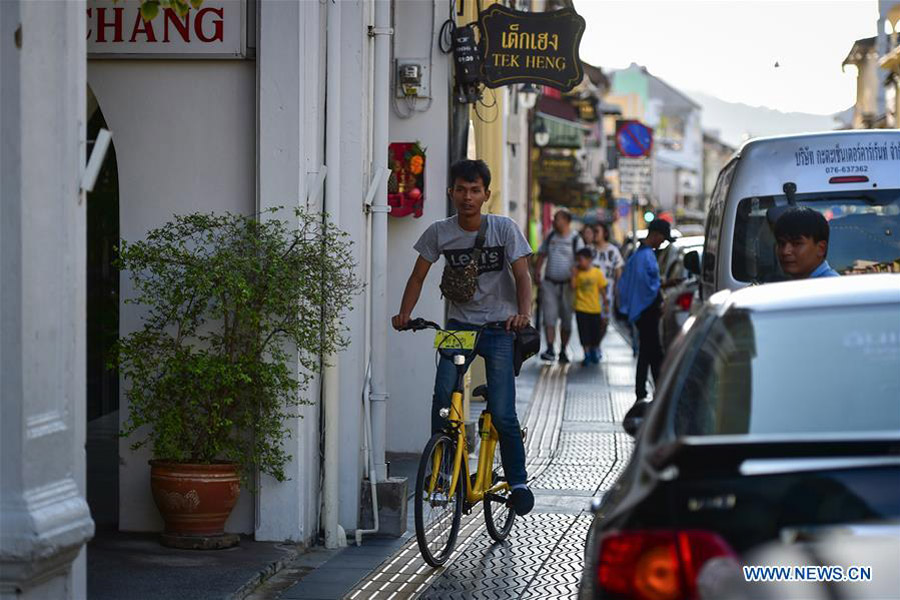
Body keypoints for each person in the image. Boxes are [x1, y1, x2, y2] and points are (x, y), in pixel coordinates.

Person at [391, 159, 535, 516]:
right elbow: (417, 276)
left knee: (502, 412)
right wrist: (404, 313)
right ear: (451, 193)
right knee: (443, 396)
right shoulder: (439, 232)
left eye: (475, 190)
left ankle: (518, 482)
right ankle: (442, 472)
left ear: (486, 194)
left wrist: (523, 314)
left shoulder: (504, 229)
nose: (467, 197)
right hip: (458, 328)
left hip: (501, 329)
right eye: (461, 190)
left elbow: (523, 276)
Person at [617, 219, 672, 403]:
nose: (662, 243)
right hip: (647, 311)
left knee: (648, 351)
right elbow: (647, 287)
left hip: (643, 311)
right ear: (655, 235)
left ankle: (643, 389)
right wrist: (659, 298)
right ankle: (657, 389)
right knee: (654, 351)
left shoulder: (639, 255)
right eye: (663, 239)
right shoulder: (645, 257)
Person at [535, 210, 584, 363]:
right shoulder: (551, 236)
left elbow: (582, 260)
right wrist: (537, 272)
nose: (555, 222)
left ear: (567, 221)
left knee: (566, 319)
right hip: (550, 283)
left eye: (557, 219)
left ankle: (563, 349)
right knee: (549, 318)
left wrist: (575, 276)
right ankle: (550, 348)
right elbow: (542, 255)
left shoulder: (576, 239)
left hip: (568, 286)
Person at [774, 207, 840, 279]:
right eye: (781, 243)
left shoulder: (831, 286)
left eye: (796, 243)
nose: (785, 251)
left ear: (821, 248)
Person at [591, 222, 624, 355]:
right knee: (591, 321)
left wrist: (617, 287)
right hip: (590, 293)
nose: (594, 234)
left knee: (604, 320)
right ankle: (591, 347)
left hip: (607, 292)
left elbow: (618, 269)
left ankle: (597, 344)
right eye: (593, 231)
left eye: (597, 231)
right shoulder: (589, 250)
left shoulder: (613, 250)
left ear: (604, 233)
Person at [572, 247, 608, 366]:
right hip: (581, 308)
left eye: (581, 260)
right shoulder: (578, 273)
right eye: (577, 260)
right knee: (584, 333)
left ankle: (594, 351)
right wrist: (573, 275)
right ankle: (586, 354)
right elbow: (572, 286)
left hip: (594, 309)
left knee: (595, 333)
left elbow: (602, 289)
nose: (579, 262)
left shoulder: (597, 273)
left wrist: (605, 304)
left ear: (589, 260)